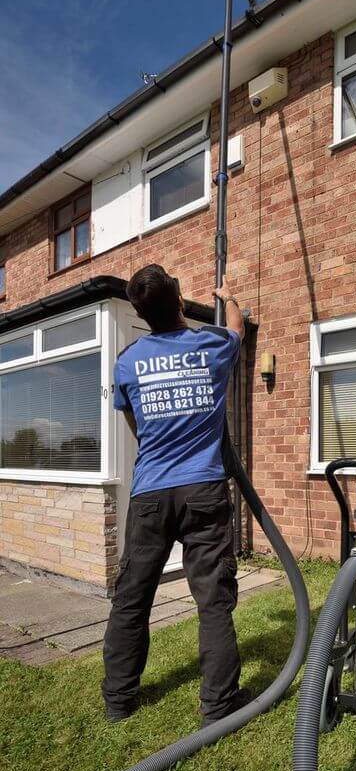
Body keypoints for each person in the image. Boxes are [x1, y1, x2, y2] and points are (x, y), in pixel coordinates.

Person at [102, 264, 247, 725]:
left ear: (142, 314)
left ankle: (118, 702)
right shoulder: (213, 344)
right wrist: (228, 296)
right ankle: (218, 706)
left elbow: (135, 425)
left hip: (150, 494)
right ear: (180, 304)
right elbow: (239, 330)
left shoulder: (127, 362)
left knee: (132, 598)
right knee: (213, 601)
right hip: (203, 489)